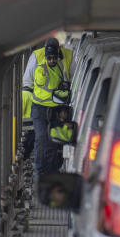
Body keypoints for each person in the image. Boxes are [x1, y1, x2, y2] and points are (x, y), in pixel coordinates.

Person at [21, 36, 71, 164]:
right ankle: (40, 169)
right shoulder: (37, 56)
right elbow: (28, 82)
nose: (53, 59)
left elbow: (72, 79)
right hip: (40, 107)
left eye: (55, 56)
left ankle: (51, 167)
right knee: (41, 138)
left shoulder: (67, 56)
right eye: (50, 57)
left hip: (58, 107)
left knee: (54, 140)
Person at [46, 106, 76, 173]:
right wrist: (66, 127)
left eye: (66, 112)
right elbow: (65, 138)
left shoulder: (70, 125)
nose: (66, 114)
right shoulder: (53, 128)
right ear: (59, 114)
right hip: (56, 157)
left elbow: (71, 137)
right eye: (64, 112)